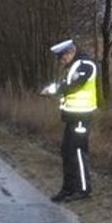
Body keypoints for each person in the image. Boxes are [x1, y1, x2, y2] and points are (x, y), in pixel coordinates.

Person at [41, 39, 99, 203]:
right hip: (73, 116)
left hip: (81, 117)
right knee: (67, 152)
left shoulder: (86, 64)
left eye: (62, 57)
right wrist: (55, 89)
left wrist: (54, 90)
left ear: (70, 52)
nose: (61, 61)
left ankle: (82, 189)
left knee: (78, 153)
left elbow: (75, 84)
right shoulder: (75, 65)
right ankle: (68, 188)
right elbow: (67, 84)